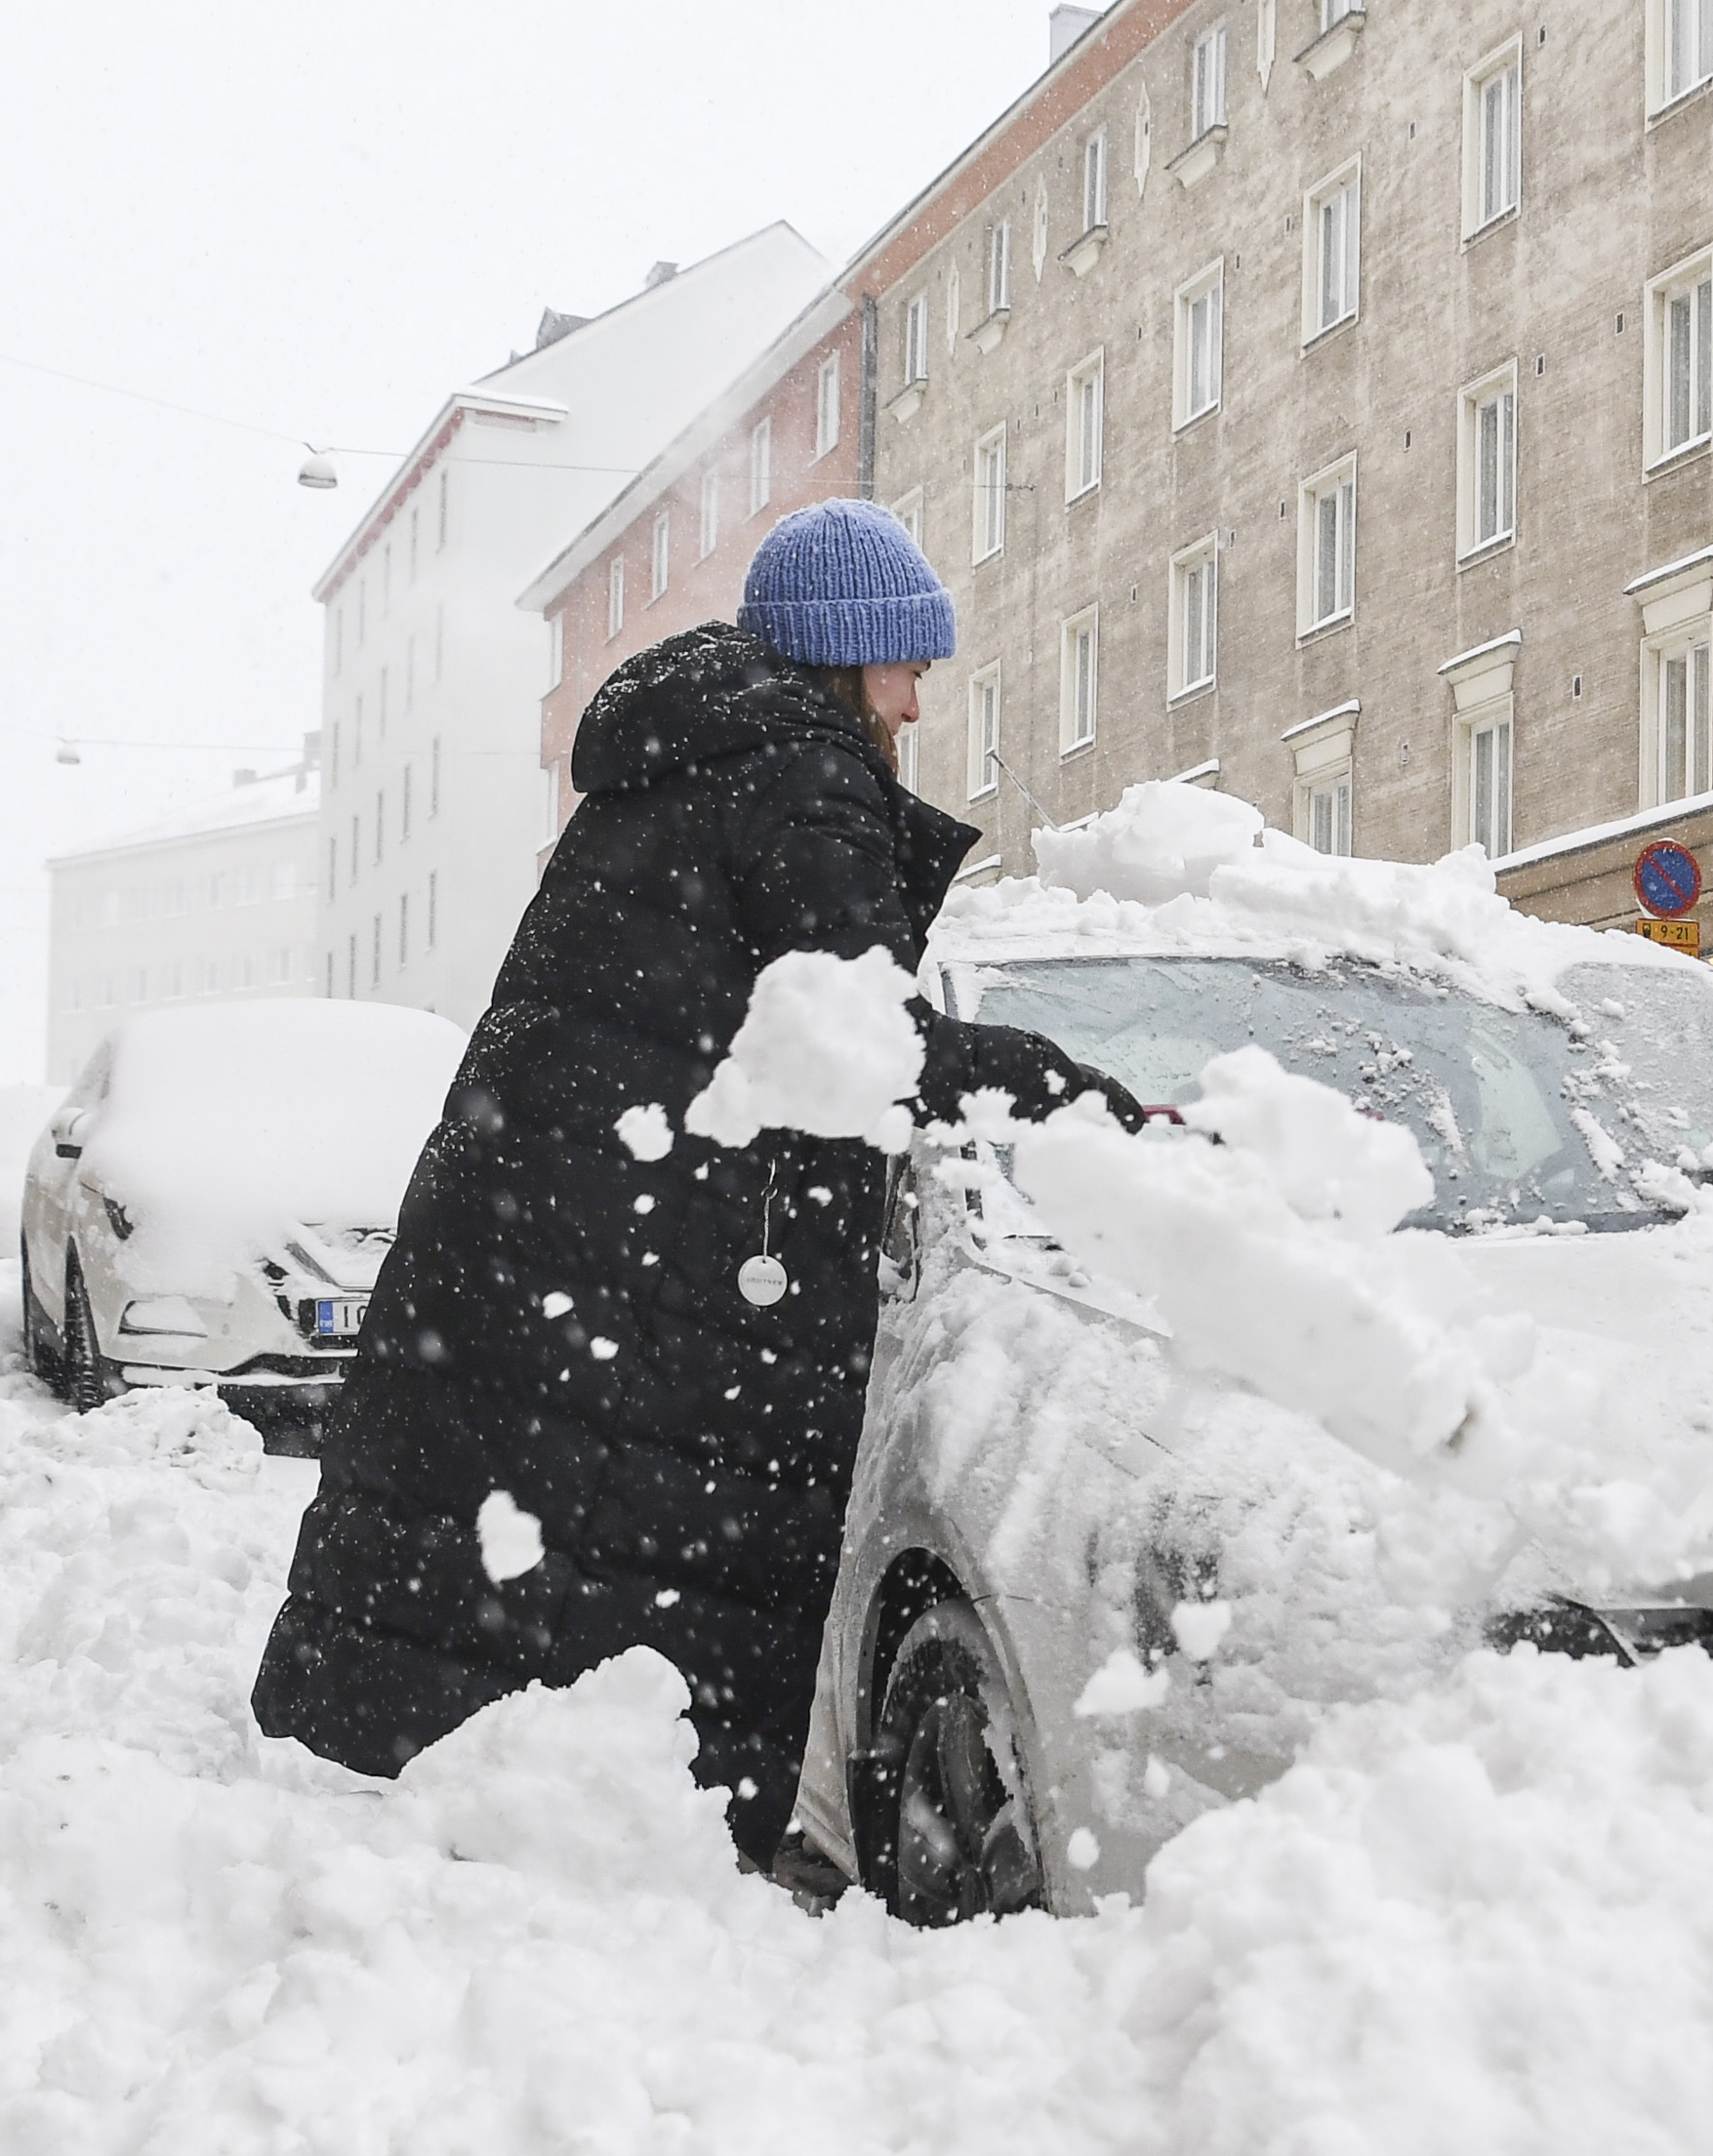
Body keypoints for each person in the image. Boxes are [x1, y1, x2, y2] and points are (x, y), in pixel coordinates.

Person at [253, 500, 1140, 1874]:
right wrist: (1082, 1102)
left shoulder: (682, 764)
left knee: (517, 1543)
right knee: (626, 1568)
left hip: (568, 1231)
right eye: (905, 664)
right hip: (655, 1250)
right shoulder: (793, 774)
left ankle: (440, 1793)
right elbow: (865, 1043)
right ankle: (582, 1841)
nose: (915, 700)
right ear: (846, 656)